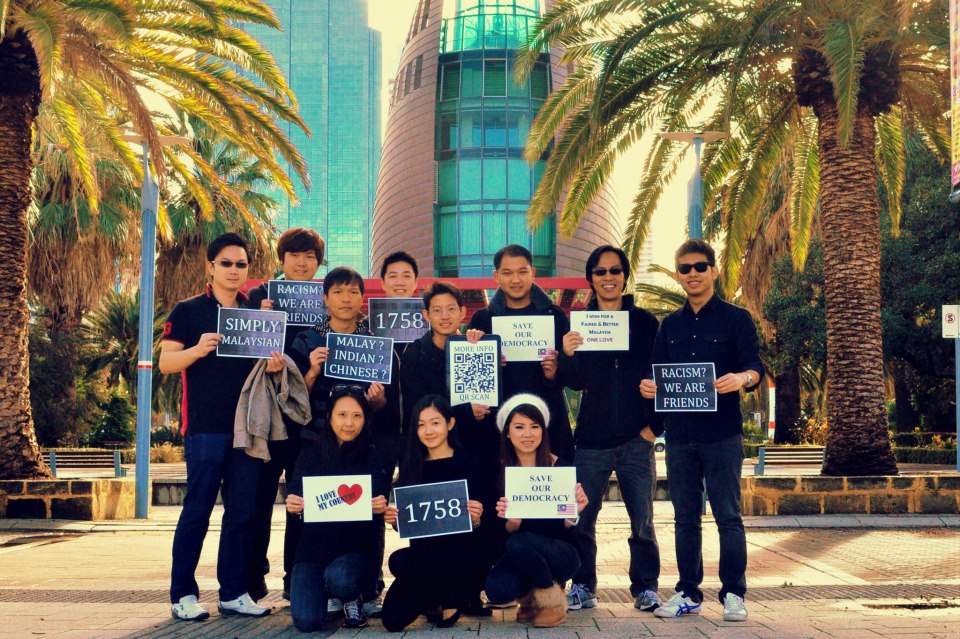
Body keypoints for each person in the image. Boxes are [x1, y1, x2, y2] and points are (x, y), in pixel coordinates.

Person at [161, 232, 283, 621]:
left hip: (248, 428)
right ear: (210, 268)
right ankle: (182, 594)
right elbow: (166, 363)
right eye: (226, 263)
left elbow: (266, 368)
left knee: (242, 513)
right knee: (197, 511)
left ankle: (233, 592)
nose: (233, 270)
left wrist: (274, 362)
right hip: (205, 428)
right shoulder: (187, 310)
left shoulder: (256, 313)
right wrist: (197, 349)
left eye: (241, 264)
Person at [640, 239, 763, 622]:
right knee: (685, 518)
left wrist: (741, 378)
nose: (692, 273)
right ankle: (688, 593)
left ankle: (734, 593)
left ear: (714, 271)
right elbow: (656, 373)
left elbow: (755, 368)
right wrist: (650, 388)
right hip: (680, 437)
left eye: (699, 266)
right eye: (685, 268)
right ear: (678, 276)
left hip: (723, 435)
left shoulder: (737, 319)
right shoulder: (669, 326)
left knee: (728, 515)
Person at [558, 245, 663, 612]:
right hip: (591, 441)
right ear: (591, 278)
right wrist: (568, 354)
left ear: (624, 276)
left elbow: (662, 377)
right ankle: (583, 585)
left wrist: (653, 428)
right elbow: (573, 382)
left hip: (637, 439)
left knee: (643, 521)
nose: (608, 277)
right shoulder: (580, 324)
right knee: (582, 519)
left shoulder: (646, 323)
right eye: (600, 272)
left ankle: (646, 588)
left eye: (615, 271)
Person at [245, 227, 325, 601]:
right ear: (282, 259)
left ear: (318, 263)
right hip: (267, 414)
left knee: (302, 500)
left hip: (306, 418)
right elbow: (242, 348)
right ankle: (253, 574)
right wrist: (259, 320)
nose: (302, 262)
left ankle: (296, 576)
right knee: (259, 499)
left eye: (310, 256)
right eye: (294, 255)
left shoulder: (324, 299)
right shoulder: (261, 295)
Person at [380, 395, 492, 632]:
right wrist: (395, 521)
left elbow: (481, 523)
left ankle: (450, 597)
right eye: (421, 425)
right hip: (424, 556)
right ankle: (438, 595)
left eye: (435, 423)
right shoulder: (412, 466)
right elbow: (409, 521)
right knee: (392, 618)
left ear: (450, 423)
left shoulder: (470, 463)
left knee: (409, 562)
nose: (428, 431)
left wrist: (476, 517)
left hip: (460, 554)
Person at [284, 387, 390, 631]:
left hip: (355, 550)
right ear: (329, 417)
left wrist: (379, 506)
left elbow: (378, 502)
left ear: (365, 419)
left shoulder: (373, 456)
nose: (349, 423)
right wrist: (294, 505)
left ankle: (351, 597)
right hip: (313, 550)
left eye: (357, 415)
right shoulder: (310, 455)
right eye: (342, 415)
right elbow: (296, 496)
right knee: (306, 622)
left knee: (341, 578)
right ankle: (324, 592)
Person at [485, 394, 588, 628]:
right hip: (520, 552)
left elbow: (568, 532)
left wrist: (573, 513)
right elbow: (496, 535)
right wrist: (511, 523)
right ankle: (530, 600)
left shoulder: (560, 467)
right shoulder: (499, 472)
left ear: (543, 431)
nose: (528, 434)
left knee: (519, 542)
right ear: (507, 432)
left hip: (561, 554)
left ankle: (552, 601)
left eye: (534, 426)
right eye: (519, 427)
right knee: (497, 589)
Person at [467, 244, 574, 460]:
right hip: (497, 425)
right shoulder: (482, 320)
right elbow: (473, 384)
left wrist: (555, 373)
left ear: (533, 272)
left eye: (522, 272)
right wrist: (487, 366)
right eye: (507, 273)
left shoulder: (555, 316)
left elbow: (573, 376)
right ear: (496, 276)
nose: (515, 280)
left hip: (548, 421)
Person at [289, 266, 387, 436]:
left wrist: (377, 399)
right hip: (316, 438)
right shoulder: (306, 340)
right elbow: (293, 399)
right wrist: (312, 373)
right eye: (338, 292)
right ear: (326, 299)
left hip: (362, 440)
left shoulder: (375, 345)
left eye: (353, 292)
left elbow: (382, 405)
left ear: (362, 298)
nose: (346, 299)